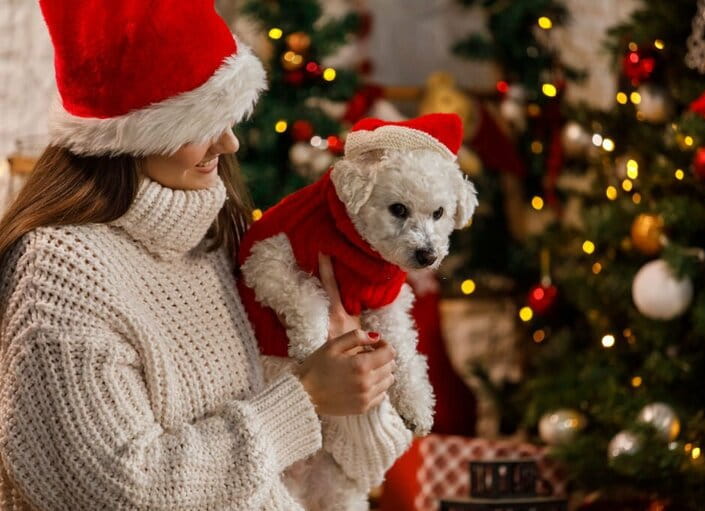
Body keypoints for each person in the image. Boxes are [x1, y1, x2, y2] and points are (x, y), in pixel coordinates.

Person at [0, 1, 412, 510]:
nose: (230, 142)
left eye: (230, 117)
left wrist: (355, 389)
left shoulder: (221, 239)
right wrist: (304, 398)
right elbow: (119, 489)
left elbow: (358, 469)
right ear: (134, 131)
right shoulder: (61, 272)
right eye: (201, 122)